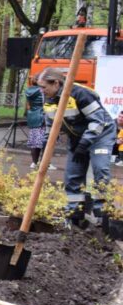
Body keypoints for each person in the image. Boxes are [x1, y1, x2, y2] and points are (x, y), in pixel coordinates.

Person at [37, 68, 116, 226]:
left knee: (100, 170)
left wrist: (85, 143)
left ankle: (101, 211)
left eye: (44, 87)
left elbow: (98, 121)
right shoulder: (49, 99)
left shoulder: (80, 94)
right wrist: (46, 145)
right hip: (77, 137)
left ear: (56, 83)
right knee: (72, 175)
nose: (41, 90)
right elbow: (51, 125)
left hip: (101, 134)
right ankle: (74, 212)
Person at [24, 74, 55, 170]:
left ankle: (34, 163)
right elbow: (45, 103)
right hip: (42, 117)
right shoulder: (42, 90)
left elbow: (28, 105)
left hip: (33, 117)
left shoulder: (28, 91)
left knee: (34, 141)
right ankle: (46, 164)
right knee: (46, 141)